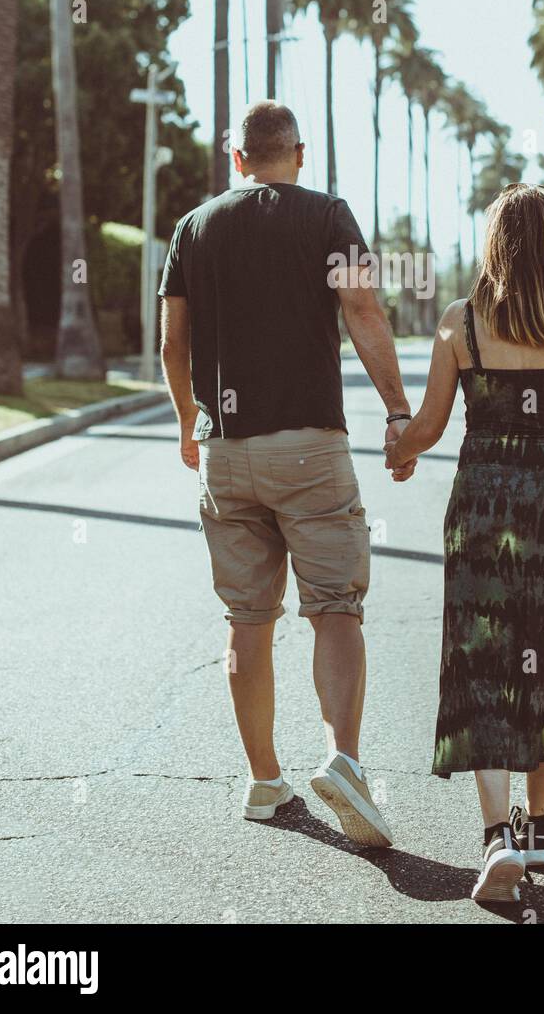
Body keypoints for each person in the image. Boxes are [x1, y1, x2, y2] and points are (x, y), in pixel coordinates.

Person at [158, 102, 415, 849]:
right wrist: (397, 411)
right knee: (334, 607)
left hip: (226, 451)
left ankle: (264, 780)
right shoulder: (329, 215)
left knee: (248, 620)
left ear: (236, 158)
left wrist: (188, 422)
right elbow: (362, 309)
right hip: (308, 447)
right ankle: (342, 760)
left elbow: (174, 344)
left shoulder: (192, 228)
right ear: (296, 154)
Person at [385, 183, 544, 903]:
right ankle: (539, 828)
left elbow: (428, 425)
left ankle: (496, 839)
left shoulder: (462, 322)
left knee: (484, 655)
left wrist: (400, 446)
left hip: (485, 500)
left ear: (495, 244)